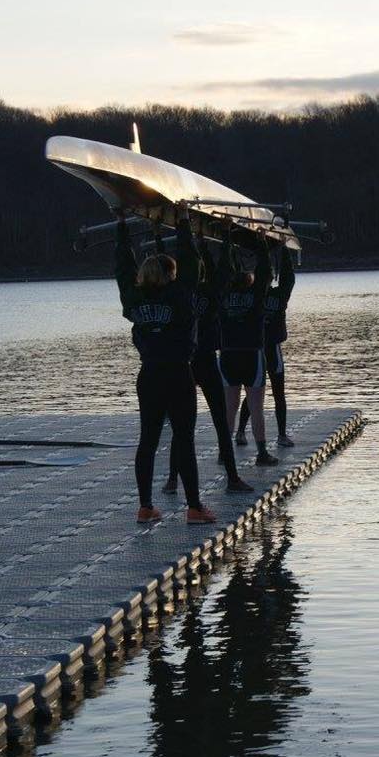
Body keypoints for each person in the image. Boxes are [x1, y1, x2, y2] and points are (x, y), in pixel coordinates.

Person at [114, 202, 216, 525]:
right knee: (184, 438)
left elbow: (123, 269)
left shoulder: (134, 299)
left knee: (148, 440)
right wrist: (183, 222)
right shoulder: (180, 295)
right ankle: (194, 508)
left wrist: (121, 226)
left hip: (149, 376)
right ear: (171, 276)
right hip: (178, 375)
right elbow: (191, 263)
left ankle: (145, 506)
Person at [162, 230, 254, 495]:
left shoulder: (178, 292)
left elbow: (167, 265)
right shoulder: (211, 292)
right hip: (206, 361)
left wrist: (174, 240)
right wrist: (225, 239)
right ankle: (232, 478)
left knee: (182, 426)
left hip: (184, 363)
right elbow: (224, 271)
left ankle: (172, 480)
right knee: (220, 423)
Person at [218, 229, 278, 466]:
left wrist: (225, 241)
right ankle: (262, 453)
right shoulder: (257, 294)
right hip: (252, 355)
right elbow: (264, 272)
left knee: (229, 408)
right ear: (250, 282)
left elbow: (222, 270)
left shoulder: (223, 295)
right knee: (256, 408)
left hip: (228, 355)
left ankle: (224, 453)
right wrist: (262, 244)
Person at [236, 240, 295, 448]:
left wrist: (283, 252)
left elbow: (287, 277)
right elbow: (287, 278)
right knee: (260, 393)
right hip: (261, 349)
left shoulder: (264, 295)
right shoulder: (256, 295)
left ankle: (277, 434)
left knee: (265, 393)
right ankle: (243, 432)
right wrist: (283, 250)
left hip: (265, 349)